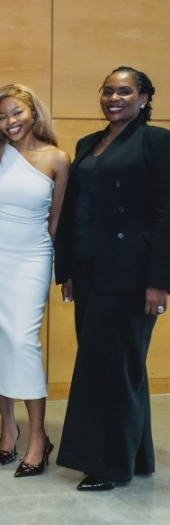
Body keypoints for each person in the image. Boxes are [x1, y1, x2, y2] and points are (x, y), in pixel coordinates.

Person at [54, 67, 170, 491]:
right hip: (89, 274)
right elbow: (76, 210)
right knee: (120, 367)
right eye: (107, 90)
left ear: (143, 98)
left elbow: (166, 213)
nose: (114, 98)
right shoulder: (89, 144)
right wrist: (66, 269)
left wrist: (159, 281)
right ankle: (135, 456)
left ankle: (107, 466)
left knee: (111, 369)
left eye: (125, 91)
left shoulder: (157, 142)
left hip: (131, 276)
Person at [0, 84, 70, 477]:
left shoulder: (58, 159)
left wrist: (58, 268)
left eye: (16, 113)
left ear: (33, 112)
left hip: (31, 258)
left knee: (23, 342)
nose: (9, 122)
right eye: (1, 116)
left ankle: (38, 438)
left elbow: (56, 223)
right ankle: (9, 428)